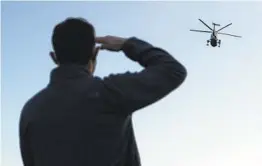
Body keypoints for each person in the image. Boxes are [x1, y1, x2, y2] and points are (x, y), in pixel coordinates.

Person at [19, 17, 187, 166]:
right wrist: (127, 44)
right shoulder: (109, 93)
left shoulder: (30, 110)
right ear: (95, 52)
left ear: (54, 57)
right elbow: (173, 70)